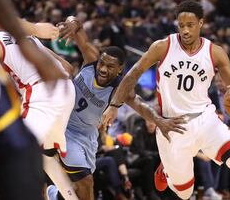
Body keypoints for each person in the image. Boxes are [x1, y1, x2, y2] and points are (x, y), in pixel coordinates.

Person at [106, 0, 230, 200]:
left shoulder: (214, 52)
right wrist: (114, 105)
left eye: (190, 25)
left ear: (201, 23)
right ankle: (166, 169)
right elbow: (133, 74)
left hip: (205, 118)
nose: (185, 30)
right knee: (184, 193)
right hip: (172, 125)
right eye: (181, 25)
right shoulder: (162, 47)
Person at [46, 17, 186, 200]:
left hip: (86, 137)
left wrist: (159, 121)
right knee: (86, 183)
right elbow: (78, 27)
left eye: (110, 66)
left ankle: (55, 195)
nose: (103, 69)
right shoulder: (91, 60)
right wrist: (72, 23)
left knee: (79, 188)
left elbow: (140, 106)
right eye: (102, 63)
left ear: (120, 70)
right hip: (64, 126)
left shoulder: (121, 90)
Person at [0, 20, 79, 199]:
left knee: (15, 154)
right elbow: (68, 68)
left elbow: (1, 87)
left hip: (41, 94)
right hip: (66, 89)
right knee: (44, 156)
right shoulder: (25, 35)